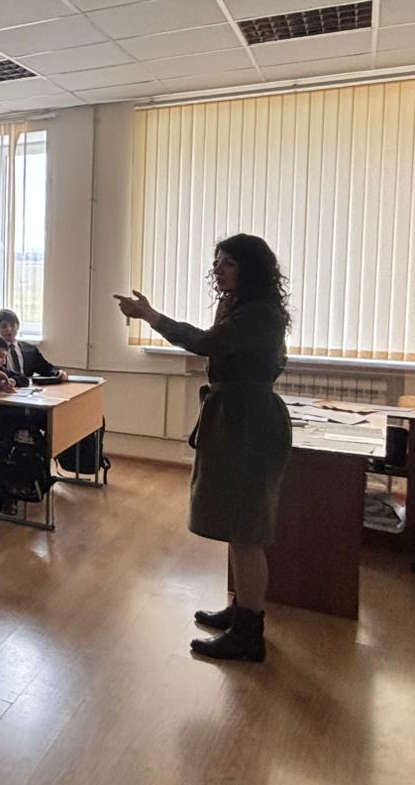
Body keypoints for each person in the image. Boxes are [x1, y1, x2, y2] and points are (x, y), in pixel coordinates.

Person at [115, 233, 292, 664]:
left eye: (228, 263)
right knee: (236, 523)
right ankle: (242, 607)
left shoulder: (262, 313)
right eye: (217, 262)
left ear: (250, 268)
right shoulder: (238, 306)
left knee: (246, 530)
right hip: (234, 415)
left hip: (249, 421)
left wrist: (150, 316)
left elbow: (206, 344)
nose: (218, 270)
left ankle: (249, 633)